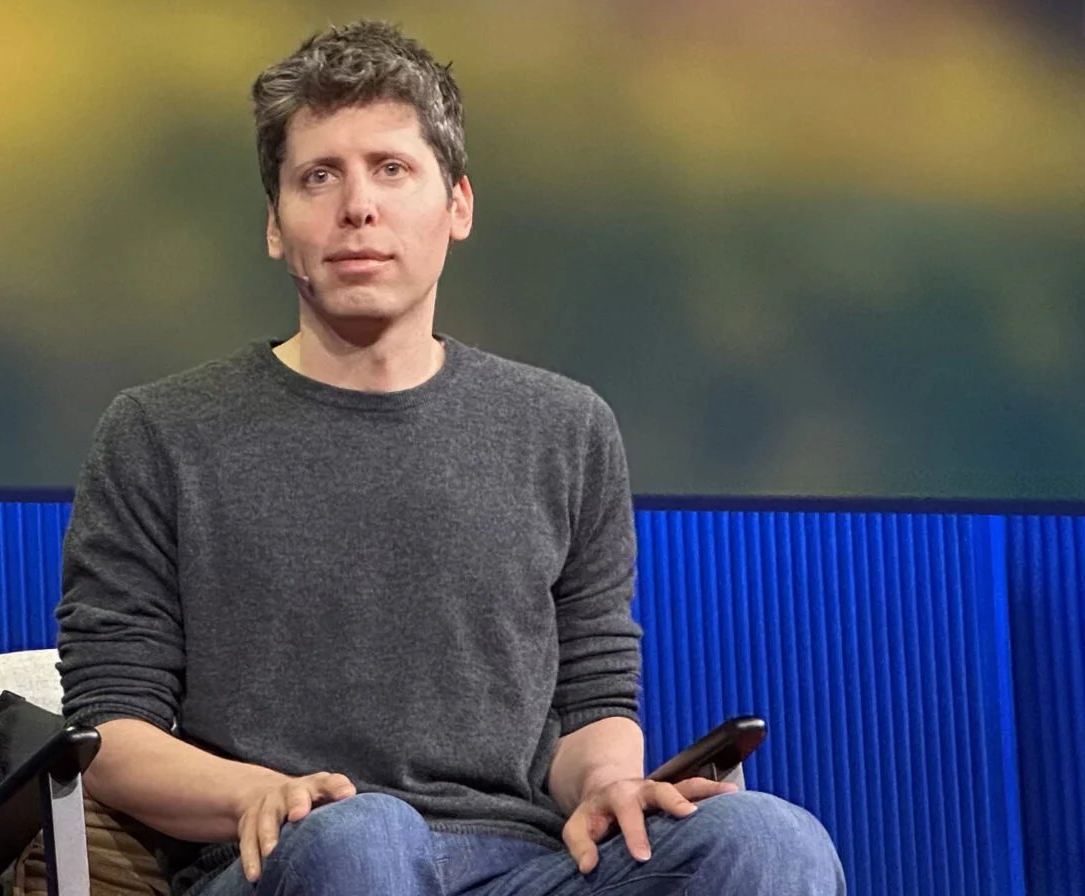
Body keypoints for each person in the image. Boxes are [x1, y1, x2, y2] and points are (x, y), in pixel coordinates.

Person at [56, 20, 844, 896]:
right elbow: (111, 732)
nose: (358, 207)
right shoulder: (160, 433)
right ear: (275, 226)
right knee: (365, 835)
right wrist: (261, 795)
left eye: (392, 169)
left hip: (524, 867)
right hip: (290, 859)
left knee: (770, 840)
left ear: (458, 206)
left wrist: (608, 787)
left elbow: (592, 702)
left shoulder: (566, 428)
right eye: (319, 176)